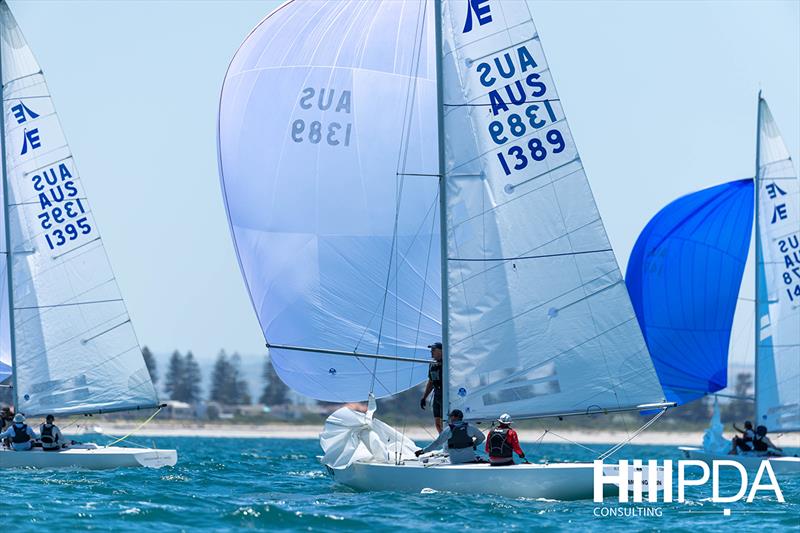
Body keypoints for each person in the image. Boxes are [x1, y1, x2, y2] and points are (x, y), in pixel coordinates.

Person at [414, 409, 485, 464]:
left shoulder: (448, 429)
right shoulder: (470, 427)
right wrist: (474, 444)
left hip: (455, 461)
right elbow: (482, 437)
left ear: (455, 417)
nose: (450, 418)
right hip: (470, 459)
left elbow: (436, 443)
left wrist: (423, 451)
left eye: (451, 416)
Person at [420, 342, 443, 433]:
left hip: (445, 395)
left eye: (434, 350)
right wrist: (424, 397)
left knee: (444, 422)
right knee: (437, 424)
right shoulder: (432, 364)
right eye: (431, 350)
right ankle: (444, 443)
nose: (431, 352)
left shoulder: (448, 363)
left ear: (441, 351)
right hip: (436, 394)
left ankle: (449, 444)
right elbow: (431, 381)